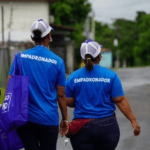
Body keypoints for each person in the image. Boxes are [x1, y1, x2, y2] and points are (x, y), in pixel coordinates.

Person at [65, 39, 140, 150]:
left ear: (82, 58)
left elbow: (70, 102)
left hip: (82, 129)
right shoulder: (111, 75)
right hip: (107, 128)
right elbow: (120, 100)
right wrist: (133, 122)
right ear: (99, 56)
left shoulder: (72, 77)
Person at [7, 19, 69, 150]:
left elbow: (10, 86)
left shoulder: (19, 58)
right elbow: (61, 95)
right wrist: (65, 119)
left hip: (24, 119)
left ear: (32, 37)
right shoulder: (58, 62)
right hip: (49, 120)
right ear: (49, 36)